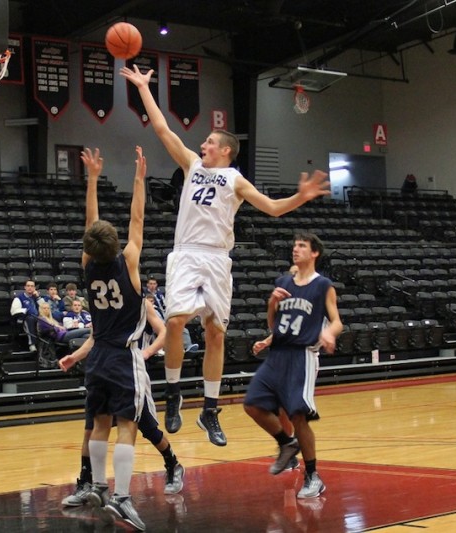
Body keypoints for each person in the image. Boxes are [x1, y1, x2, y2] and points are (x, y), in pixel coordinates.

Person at [121, 65, 330, 447]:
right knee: (178, 320)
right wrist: (143, 90)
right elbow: (163, 129)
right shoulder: (191, 164)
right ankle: (172, 394)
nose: (202, 145)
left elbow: (270, 208)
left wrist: (300, 197)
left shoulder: (235, 179)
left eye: (209, 142)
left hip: (218, 259)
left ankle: (210, 409)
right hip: (186, 254)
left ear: (226, 150)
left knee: (216, 333)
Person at [56, 146, 149, 530]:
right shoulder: (128, 262)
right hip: (123, 355)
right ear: (117, 246)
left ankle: (97, 486)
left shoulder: (87, 265)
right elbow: (138, 218)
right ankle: (123, 498)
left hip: (96, 357)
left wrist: (92, 178)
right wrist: (139, 179)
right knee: (126, 424)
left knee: (98, 423)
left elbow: (89, 224)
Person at [59, 298, 184, 508]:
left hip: (130, 369)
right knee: (90, 428)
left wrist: (148, 351)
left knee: (148, 428)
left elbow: (164, 332)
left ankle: (173, 464)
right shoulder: (103, 302)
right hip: (104, 366)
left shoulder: (141, 302)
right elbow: (94, 338)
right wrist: (75, 357)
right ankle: (86, 483)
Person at [243, 233, 342, 499]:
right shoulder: (283, 282)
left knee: (298, 416)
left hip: (302, 355)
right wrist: (271, 303)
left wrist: (329, 333)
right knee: (252, 404)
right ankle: (286, 443)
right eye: (294, 245)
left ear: (314, 253)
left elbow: (337, 321)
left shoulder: (323, 286)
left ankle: (313, 476)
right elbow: (273, 323)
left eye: (301, 246)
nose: (295, 249)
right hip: (277, 354)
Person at [144, 277, 198, 353]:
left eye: (154, 284)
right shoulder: (145, 298)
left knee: (181, 327)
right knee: (166, 330)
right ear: (147, 285)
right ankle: (168, 349)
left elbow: (165, 307)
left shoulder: (159, 295)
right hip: (153, 325)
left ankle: (187, 347)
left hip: (163, 320)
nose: (152, 285)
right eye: (150, 284)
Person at [10, 279, 41, 352]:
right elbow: (13, 311)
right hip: (24, 319)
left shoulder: (36, 297)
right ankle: (32, 344)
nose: (30, 287)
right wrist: (26, 311)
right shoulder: (19, 298)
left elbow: (45, 307)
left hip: (38, 317)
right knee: (30, 319)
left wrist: (38, 297)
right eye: (28, 286)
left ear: (34, 288)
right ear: (25, 287)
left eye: (32, 286)